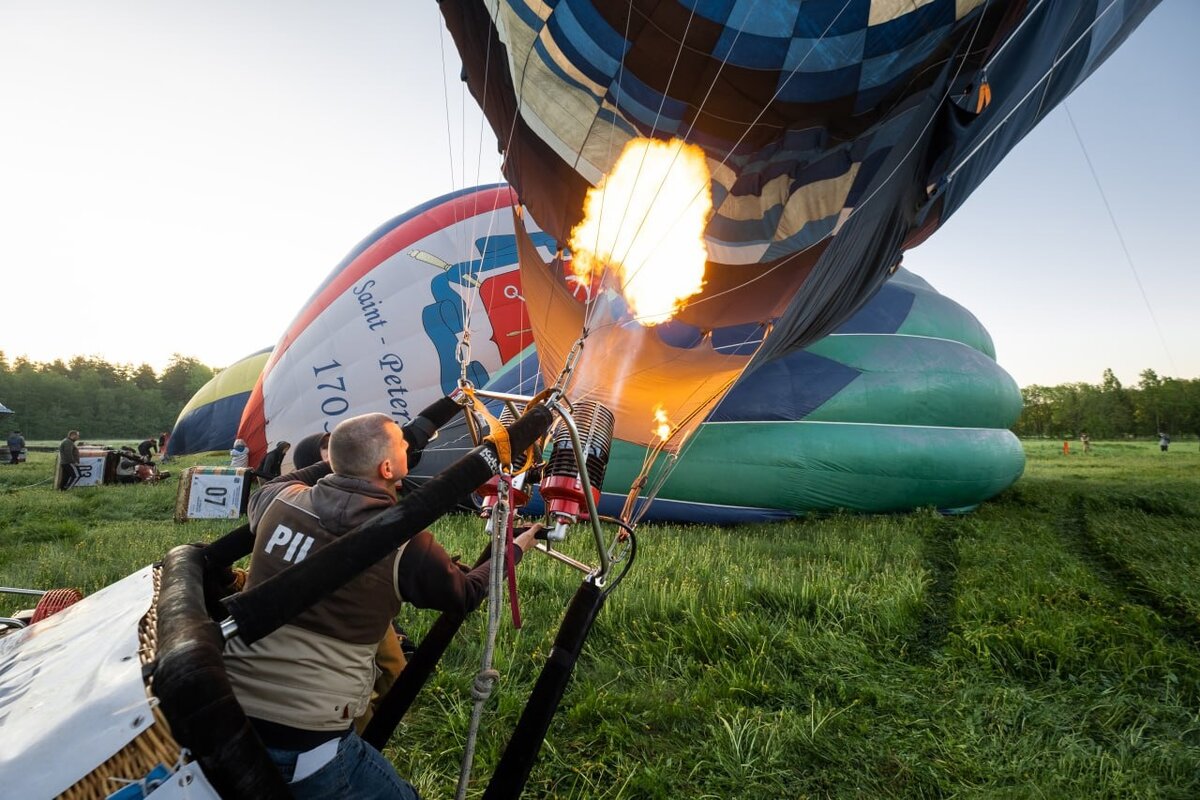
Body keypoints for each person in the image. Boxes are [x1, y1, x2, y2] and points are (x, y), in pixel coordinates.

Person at [223, 412, 540, 798]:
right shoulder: (407, 548)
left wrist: (356, 453)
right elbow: (467, 593)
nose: (409, 443)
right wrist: (514, 549)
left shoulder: (276, 500)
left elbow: (299, 477)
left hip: (226, 712)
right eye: (401, 443)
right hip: (308, 743)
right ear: (388, 467)